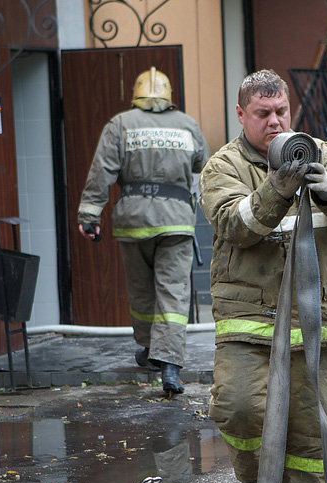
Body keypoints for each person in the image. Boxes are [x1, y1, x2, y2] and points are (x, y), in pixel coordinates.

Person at [198, 70, 327, 483]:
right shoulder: (223, 166)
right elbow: (236, 225)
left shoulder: (323, 152)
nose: (275, 123)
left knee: (313, 426)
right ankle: (254, 478)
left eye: (281, 112)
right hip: (248, 319)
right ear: (241, 115)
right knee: (238, 406)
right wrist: (277, 186)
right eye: (262, 114)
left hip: (315, 319)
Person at [78, 67, 209, 394]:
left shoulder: (120, 124)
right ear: (168, 95)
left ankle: (150, 350)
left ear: (135, 93)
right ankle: (170, 365)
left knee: (141, 292)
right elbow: (201, 163)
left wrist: (89, 215)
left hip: (133, 222)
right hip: (176, 221)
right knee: (173, 293)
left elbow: (101, 172)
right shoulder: (187, 124)